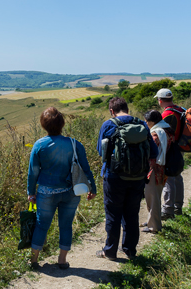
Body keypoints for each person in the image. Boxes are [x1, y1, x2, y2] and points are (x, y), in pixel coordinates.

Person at [27, 107, 97, 270]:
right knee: (66, 225)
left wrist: (31, 192)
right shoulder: (74, 144)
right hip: (71, 192)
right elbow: (86, 169)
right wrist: (92, 188)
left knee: (41, 225)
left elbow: (33, 172)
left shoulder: (39, 145)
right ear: (62, 124)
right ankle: (62, 260)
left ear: (43, 125)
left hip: (46, 192)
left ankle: (33, 260)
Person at [96, 97, 158, 260]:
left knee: (113, 214)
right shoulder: (141, 124)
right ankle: (130, 250)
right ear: (127, 109)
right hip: (138, 177)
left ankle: (110, 251)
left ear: (112, 111)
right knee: (131, 214)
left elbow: (100, 151)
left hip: (114, 177)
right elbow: (154, 152)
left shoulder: (109, 125)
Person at [154, 88, 185, 219]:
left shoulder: (166, 114)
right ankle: (178, 206)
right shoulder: (181, 109)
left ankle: (168, 210)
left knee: (169, 178)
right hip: (180, 147)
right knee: (177, 175)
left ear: (160, 100)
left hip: (170, 149)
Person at [142, 110, 175, 233]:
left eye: (146, 121)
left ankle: (154, 226)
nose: (146, 123)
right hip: (163, 168)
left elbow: (149, 150)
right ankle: (152, 220)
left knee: (152, 196)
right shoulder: (167, 129)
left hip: (154, 169)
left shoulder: (156, 133)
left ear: (152, 121)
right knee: (153, 195)